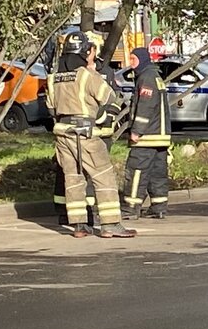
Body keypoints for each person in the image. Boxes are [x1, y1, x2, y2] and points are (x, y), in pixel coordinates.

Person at [47, 31, 135, 238]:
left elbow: (51, 109)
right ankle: (111, 224)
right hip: (86, 134)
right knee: (103, 176)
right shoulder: (88, 76)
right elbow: (110, 98)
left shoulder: (53, 79)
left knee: (73, 178)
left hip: (62, 135)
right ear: (84, 53)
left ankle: (79, 226)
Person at [121, 47, 171, 220]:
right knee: (158, 173)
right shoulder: (154, 75)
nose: (130, 63)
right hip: (160, 137)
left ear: (141, 59)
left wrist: (136, 131)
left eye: (133, 59)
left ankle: (131, 207)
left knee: (136, 171)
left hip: (147, 137)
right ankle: (159, 207)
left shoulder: (147, 77)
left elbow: (145, 106)